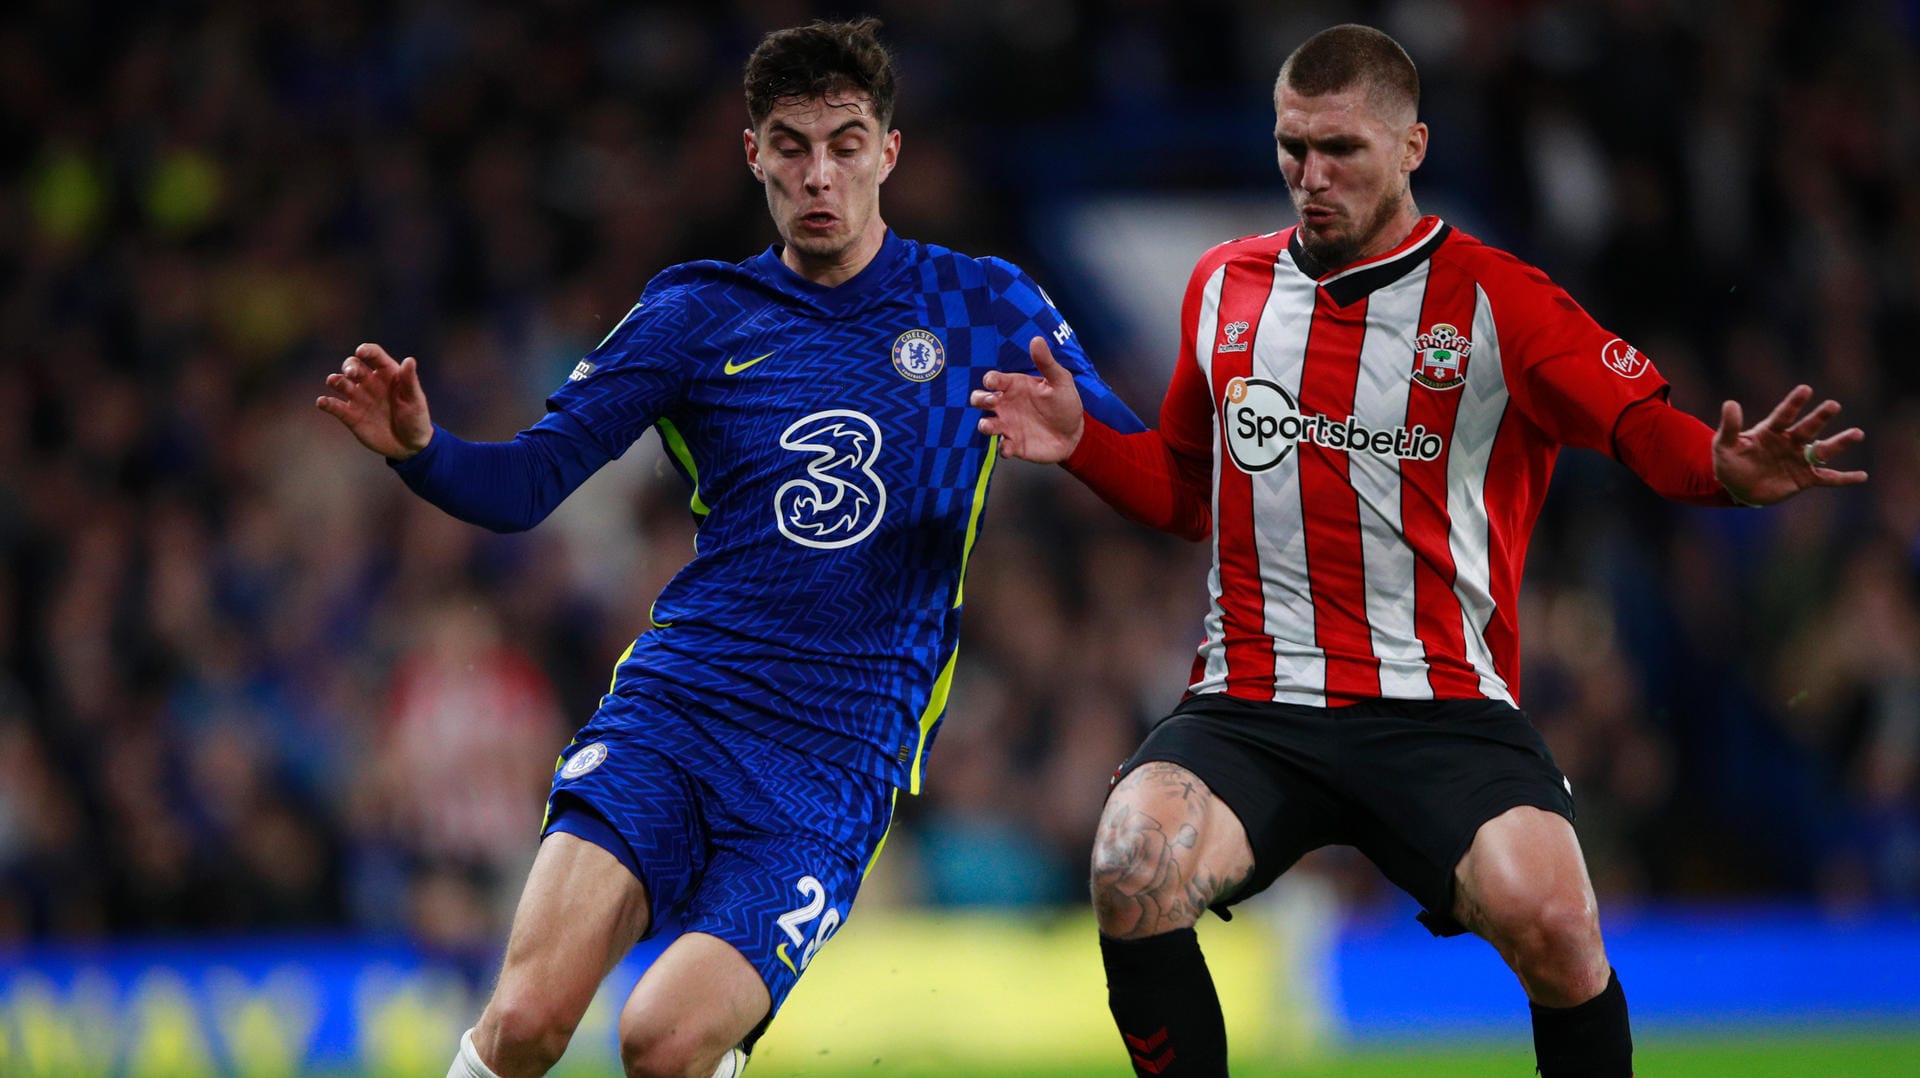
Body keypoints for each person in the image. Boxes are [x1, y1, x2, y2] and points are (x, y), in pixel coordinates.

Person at [972, 23, 1867, 1078]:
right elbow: (1183, 491)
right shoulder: (1226, 286)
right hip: (1257, 703)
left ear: (1412, 148)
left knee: (1557, 920)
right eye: (1291, 147)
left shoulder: (1498, 300)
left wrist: (1722, 470)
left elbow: (1640, 425)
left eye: (1339, 149)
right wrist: (1084, 445)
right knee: (1130, 862)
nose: (1310, 176)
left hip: (1441, 706)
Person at [317, 17, 1140, 1078]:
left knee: (660, 1041)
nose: (819, 174)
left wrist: (1087, 446)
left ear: (888, 151)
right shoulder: (697, 315)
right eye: (791, 146)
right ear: (753, 154)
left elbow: (1144, 465)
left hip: (833, 759)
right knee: (524, 1022)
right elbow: (527, 484)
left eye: (845, 143)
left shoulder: (980, 306)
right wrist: (424, 451)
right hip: (681, 708)